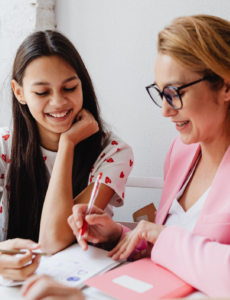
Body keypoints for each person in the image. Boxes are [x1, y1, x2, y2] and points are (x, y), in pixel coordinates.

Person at [21, 7, 230, 300]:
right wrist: (118, 235)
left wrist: (158, 234)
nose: (166, 110)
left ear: (228, 85)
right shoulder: (181, 151)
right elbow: (170, 250)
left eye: (175, 93)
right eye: (161, 93)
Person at [0, 30, 134, 280]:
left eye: (70, 87)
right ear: (19, 93)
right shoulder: (4, 147)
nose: (58, 102)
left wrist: (67, 144)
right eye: (42, 92)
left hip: (79, 283)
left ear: (82, 84)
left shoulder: (114, 152)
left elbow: (54, 241)